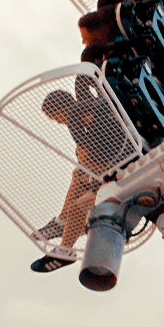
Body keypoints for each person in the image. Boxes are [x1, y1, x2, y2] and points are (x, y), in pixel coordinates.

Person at [29, 78, 134, 273]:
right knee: (78, 205)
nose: (59, 122)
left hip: (123, 170)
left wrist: (85, 167)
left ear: (61, 110)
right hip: (110, 183)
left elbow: (94, 158)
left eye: (56, 117)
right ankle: (65, 249)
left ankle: (61, 224)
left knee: (79, 173)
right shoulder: (84, 128)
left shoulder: (92, 118)